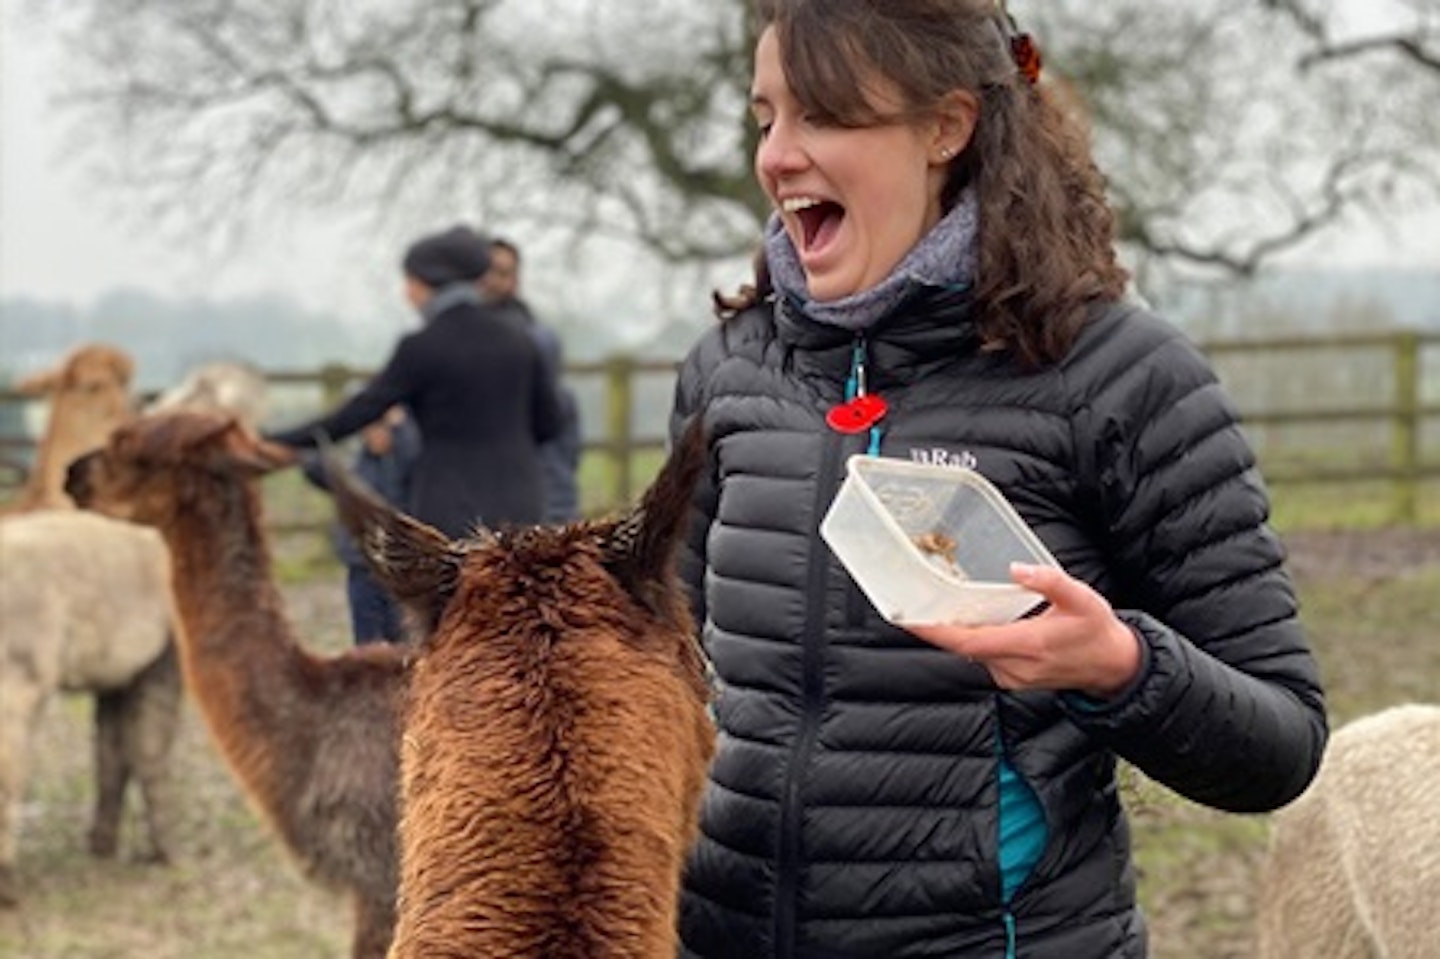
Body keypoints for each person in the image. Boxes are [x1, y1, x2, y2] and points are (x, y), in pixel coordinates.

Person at [666, 3, 1328, 958]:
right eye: (766, 117)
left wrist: (1120, 668)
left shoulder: (1122, 380)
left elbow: (1283, 744)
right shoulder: (728, 372)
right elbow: (660, 668)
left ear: (947, 126)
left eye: (825, 115)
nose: (776, 156)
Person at [266, 224, 563, 539]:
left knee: (453, 588)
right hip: (521, 503)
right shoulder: (521, 340)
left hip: (449, 507)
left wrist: (282, 440)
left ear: (430, 284)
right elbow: (550, 423)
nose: (406, 293)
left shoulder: (423, 346)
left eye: (410, 282)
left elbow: (359, 412)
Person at [480, 237, 583, 523]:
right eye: (484, 270)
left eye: (500, 272)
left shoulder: (536, 340)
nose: (489, 280)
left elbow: (555, 430)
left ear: (514, 280)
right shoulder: (452, 338)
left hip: (537, 495)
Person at [300, 405, 420, 644]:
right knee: (367, 642)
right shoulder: (356, 465)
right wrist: (314, 438)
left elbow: (413, 451)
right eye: (369, 427)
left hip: (400, 569)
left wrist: (400, 425)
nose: (375, 434)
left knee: (406, 643)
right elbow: (319, 469)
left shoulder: (408, 463)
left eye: (381, 427)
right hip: (362, 566)